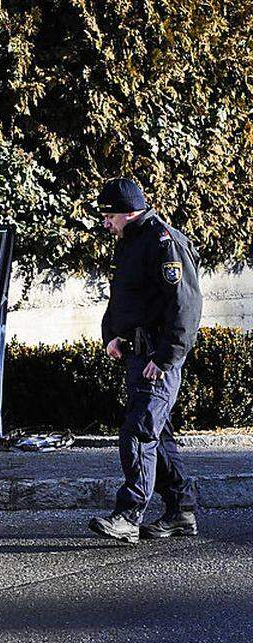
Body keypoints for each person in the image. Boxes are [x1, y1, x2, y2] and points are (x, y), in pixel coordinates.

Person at [88, 178, 202, 544]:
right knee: (158, 434)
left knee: (138, 432)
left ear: (127, 211)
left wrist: (166, 357)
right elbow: (125, 298)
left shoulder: (162, 242)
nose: (105, 223)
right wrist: (112, 335)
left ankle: (128, 514)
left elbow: (185, 306)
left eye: (109, 215)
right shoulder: (131, 243)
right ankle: (180, 512)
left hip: (156, 357)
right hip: (137, 354)